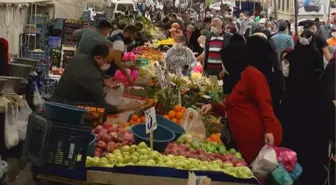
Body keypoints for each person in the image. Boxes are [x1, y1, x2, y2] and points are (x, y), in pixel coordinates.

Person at [200, 43, 283, 163]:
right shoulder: (242, 76)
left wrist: (269, 130)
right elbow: (235, 107)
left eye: (225, 61)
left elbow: (265, 103)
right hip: (246, 141)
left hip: (258, 138)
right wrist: (213, 107)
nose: (223, 65)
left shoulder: (253, 75)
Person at [281, 31, 328, 185]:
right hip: (311, 104)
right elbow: (319, 74)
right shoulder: (315, 55)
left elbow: (286, 76)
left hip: (293, 102)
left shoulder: (292, 56)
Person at [52, 44, 141, 113]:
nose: (109, 64)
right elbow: (103, 107)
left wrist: (103, 81)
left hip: (57, 100)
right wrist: (128, 106)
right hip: (68, 107)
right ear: (98, 58)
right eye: (108, 62)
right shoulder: (93, 76)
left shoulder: (79, 58)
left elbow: (83, 78)